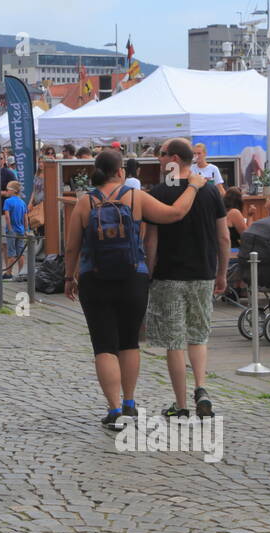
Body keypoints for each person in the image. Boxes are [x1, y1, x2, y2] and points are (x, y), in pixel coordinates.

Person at [65, 149, 208, 429]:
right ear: (121, 172)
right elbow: (175, 213)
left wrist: (69, 278)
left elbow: (72, 246)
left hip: (95, 279)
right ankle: (130, 403)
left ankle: (114, 409)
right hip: (133, 277)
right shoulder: (136, 197)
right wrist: (193, 186)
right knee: (129, 341)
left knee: (104, 345)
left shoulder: (84, 203)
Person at [143, 138, 229, 419]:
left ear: (176, 159)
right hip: (203, 272)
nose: (158, 158)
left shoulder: (158, 191)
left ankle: (180, 405)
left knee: (174, 340)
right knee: (198, 334)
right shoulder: (210, 192)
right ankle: (201, 387)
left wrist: (150, 270)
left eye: (162, 153)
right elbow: (224, 236)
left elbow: (151, 239)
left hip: (169, 274)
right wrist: (222, 272)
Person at [2, 180, 28, 279]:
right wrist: (26, 229)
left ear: (13, 191)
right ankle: (21, 273)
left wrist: (9, 228)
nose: (6, 192)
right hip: (21, 230)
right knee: (20, 253)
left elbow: (7, 216)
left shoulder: (8, 201)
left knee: (11, 253)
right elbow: (25, 218)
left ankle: (8, 273)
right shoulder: (22, 202)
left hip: (12, 230)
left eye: (7, 190)